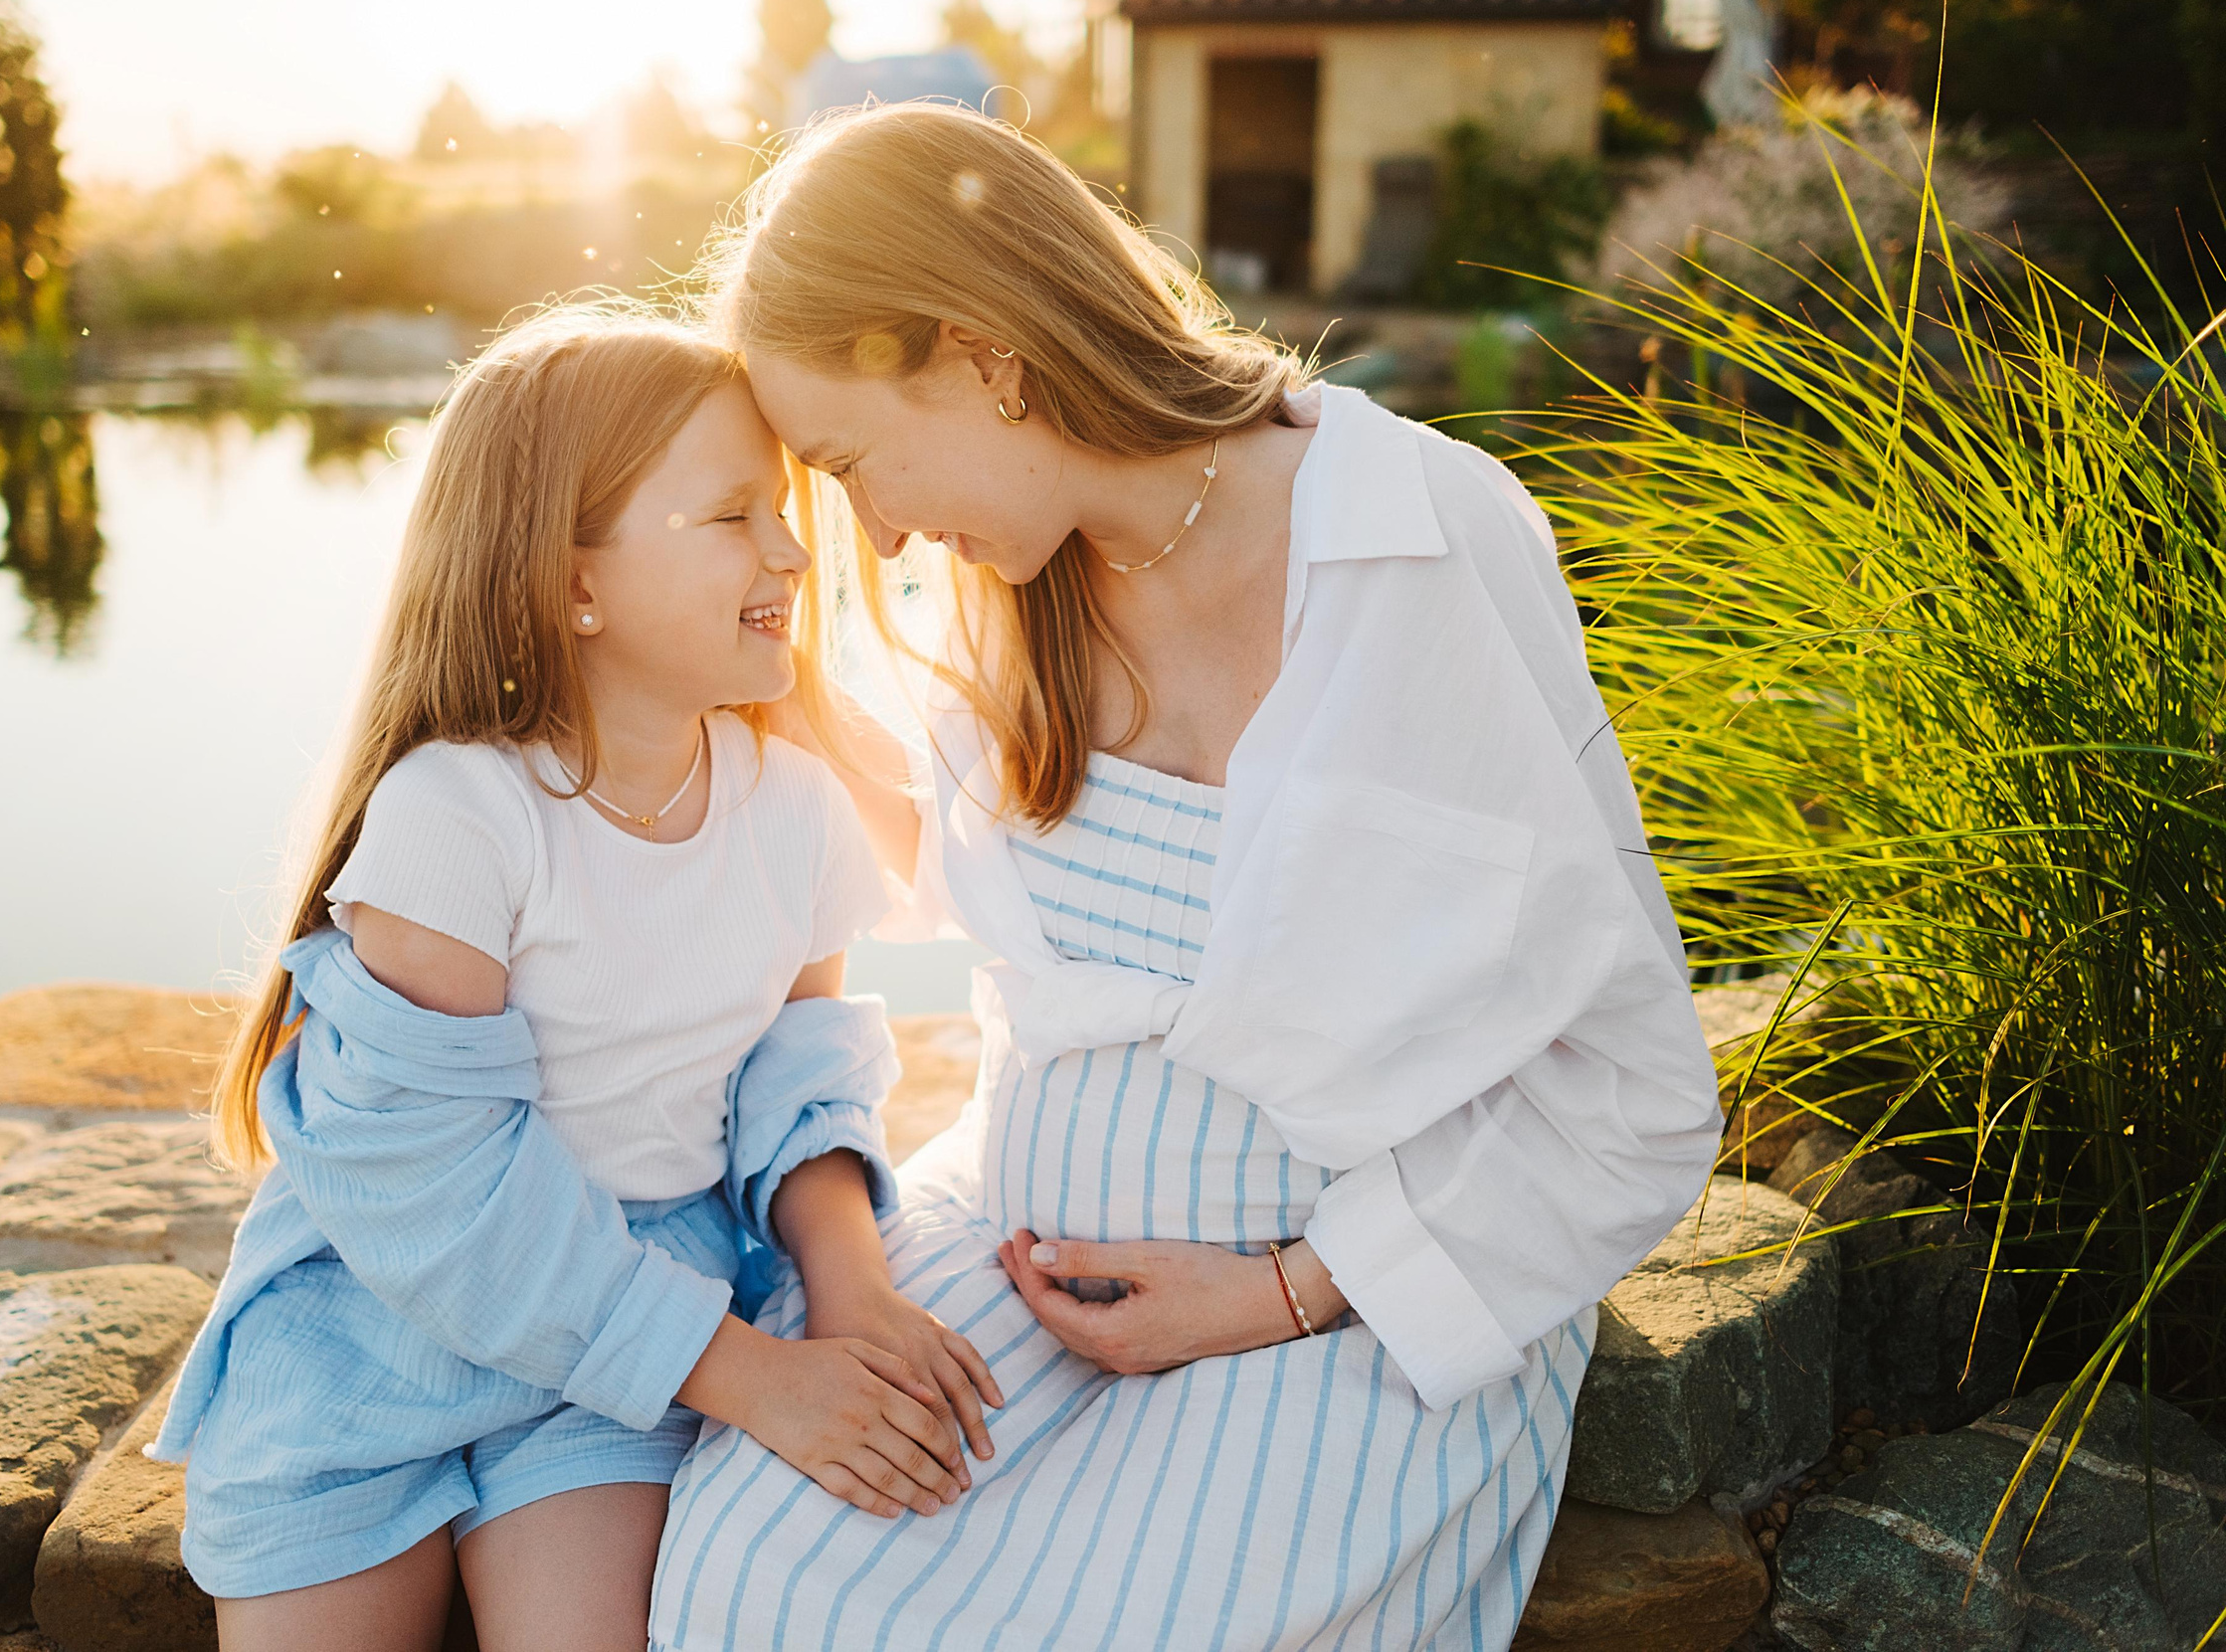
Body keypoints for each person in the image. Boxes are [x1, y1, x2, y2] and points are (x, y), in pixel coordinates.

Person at [649, 106, 1723, 1650]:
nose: (872, 529)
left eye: (856, 463)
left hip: (1340, 1312)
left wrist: (1283, 1290)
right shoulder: (995, 603)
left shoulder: (1416, 541)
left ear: (982, 356)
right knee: (749, 1574)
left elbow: (1631, 1086)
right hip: (1018, 1265)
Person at [148, 305, 999, 1652]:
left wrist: (850, 1284)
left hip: (622, 1346)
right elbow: (440, 1188)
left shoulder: (794, 809)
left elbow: (803, 1074)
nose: (792, 548)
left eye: (780, 505)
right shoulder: (459, 817)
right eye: (731, 514)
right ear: (573, 581)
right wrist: (758, 1382)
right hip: (375, 1329)